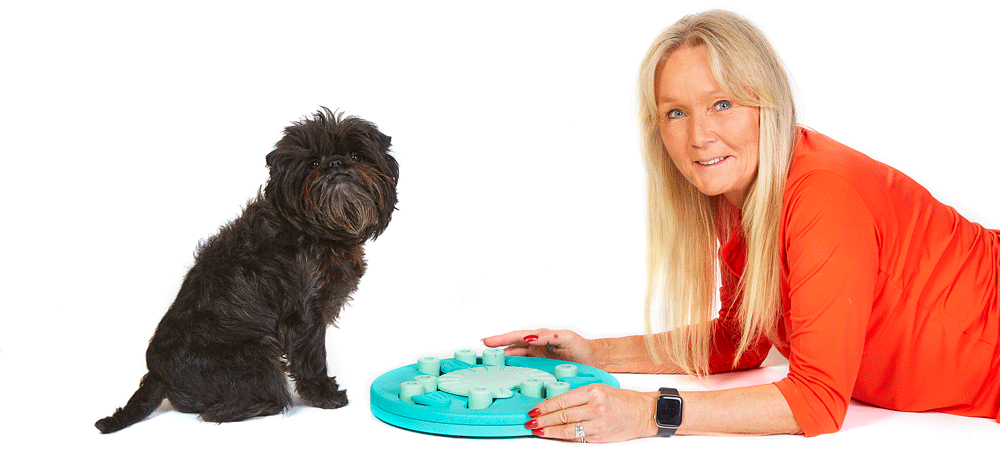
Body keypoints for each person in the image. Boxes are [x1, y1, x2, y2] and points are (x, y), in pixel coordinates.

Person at [484, 9, 999, 443]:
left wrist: (650, 412)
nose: (700, 136)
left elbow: (817, 402)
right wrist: (594, 352)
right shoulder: (732, 193)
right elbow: (742, 339)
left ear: (765, 104)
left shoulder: (821, 193)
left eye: (722, 104)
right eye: (676, 112)